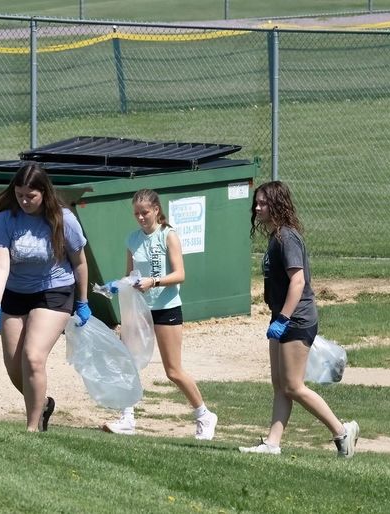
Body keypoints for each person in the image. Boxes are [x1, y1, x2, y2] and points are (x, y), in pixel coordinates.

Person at [239, 180, 359, 457]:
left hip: (295, 319)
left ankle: (342, 431)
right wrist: (276, 318)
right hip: (281, 317)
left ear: (278, 205)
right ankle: (272, 443)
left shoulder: (286, 238)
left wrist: (283, 319)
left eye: (263, 203)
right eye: (256, 202)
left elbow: (298, 281)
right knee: (280, 385)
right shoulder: (275, 237)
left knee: (293, 385)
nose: (257, 207)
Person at [101, 189, 218, 439]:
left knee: (173, 371)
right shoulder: (132, 240)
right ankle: (127, 419)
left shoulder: (168, 236)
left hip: (166, 308)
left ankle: (205, 416)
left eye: (145, 212)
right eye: (136, 214)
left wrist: (152, 281)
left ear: (156, 210)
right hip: (140, 309)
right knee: (127, 363)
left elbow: (180, 275)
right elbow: (131, 274)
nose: (141, 217)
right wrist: (117, 285)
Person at [0, 162, 90, 432]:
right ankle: (42, 404)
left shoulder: (64, 220)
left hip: (54, 290)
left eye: (30, 195)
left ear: (44, 192)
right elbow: (0, 265)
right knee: (14, 366)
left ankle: (33, 429)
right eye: (19, 194)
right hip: (15, 293)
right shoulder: (6, 219)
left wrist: (83, 301)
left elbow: (80, 263)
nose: (24, 201)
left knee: (32, 357)